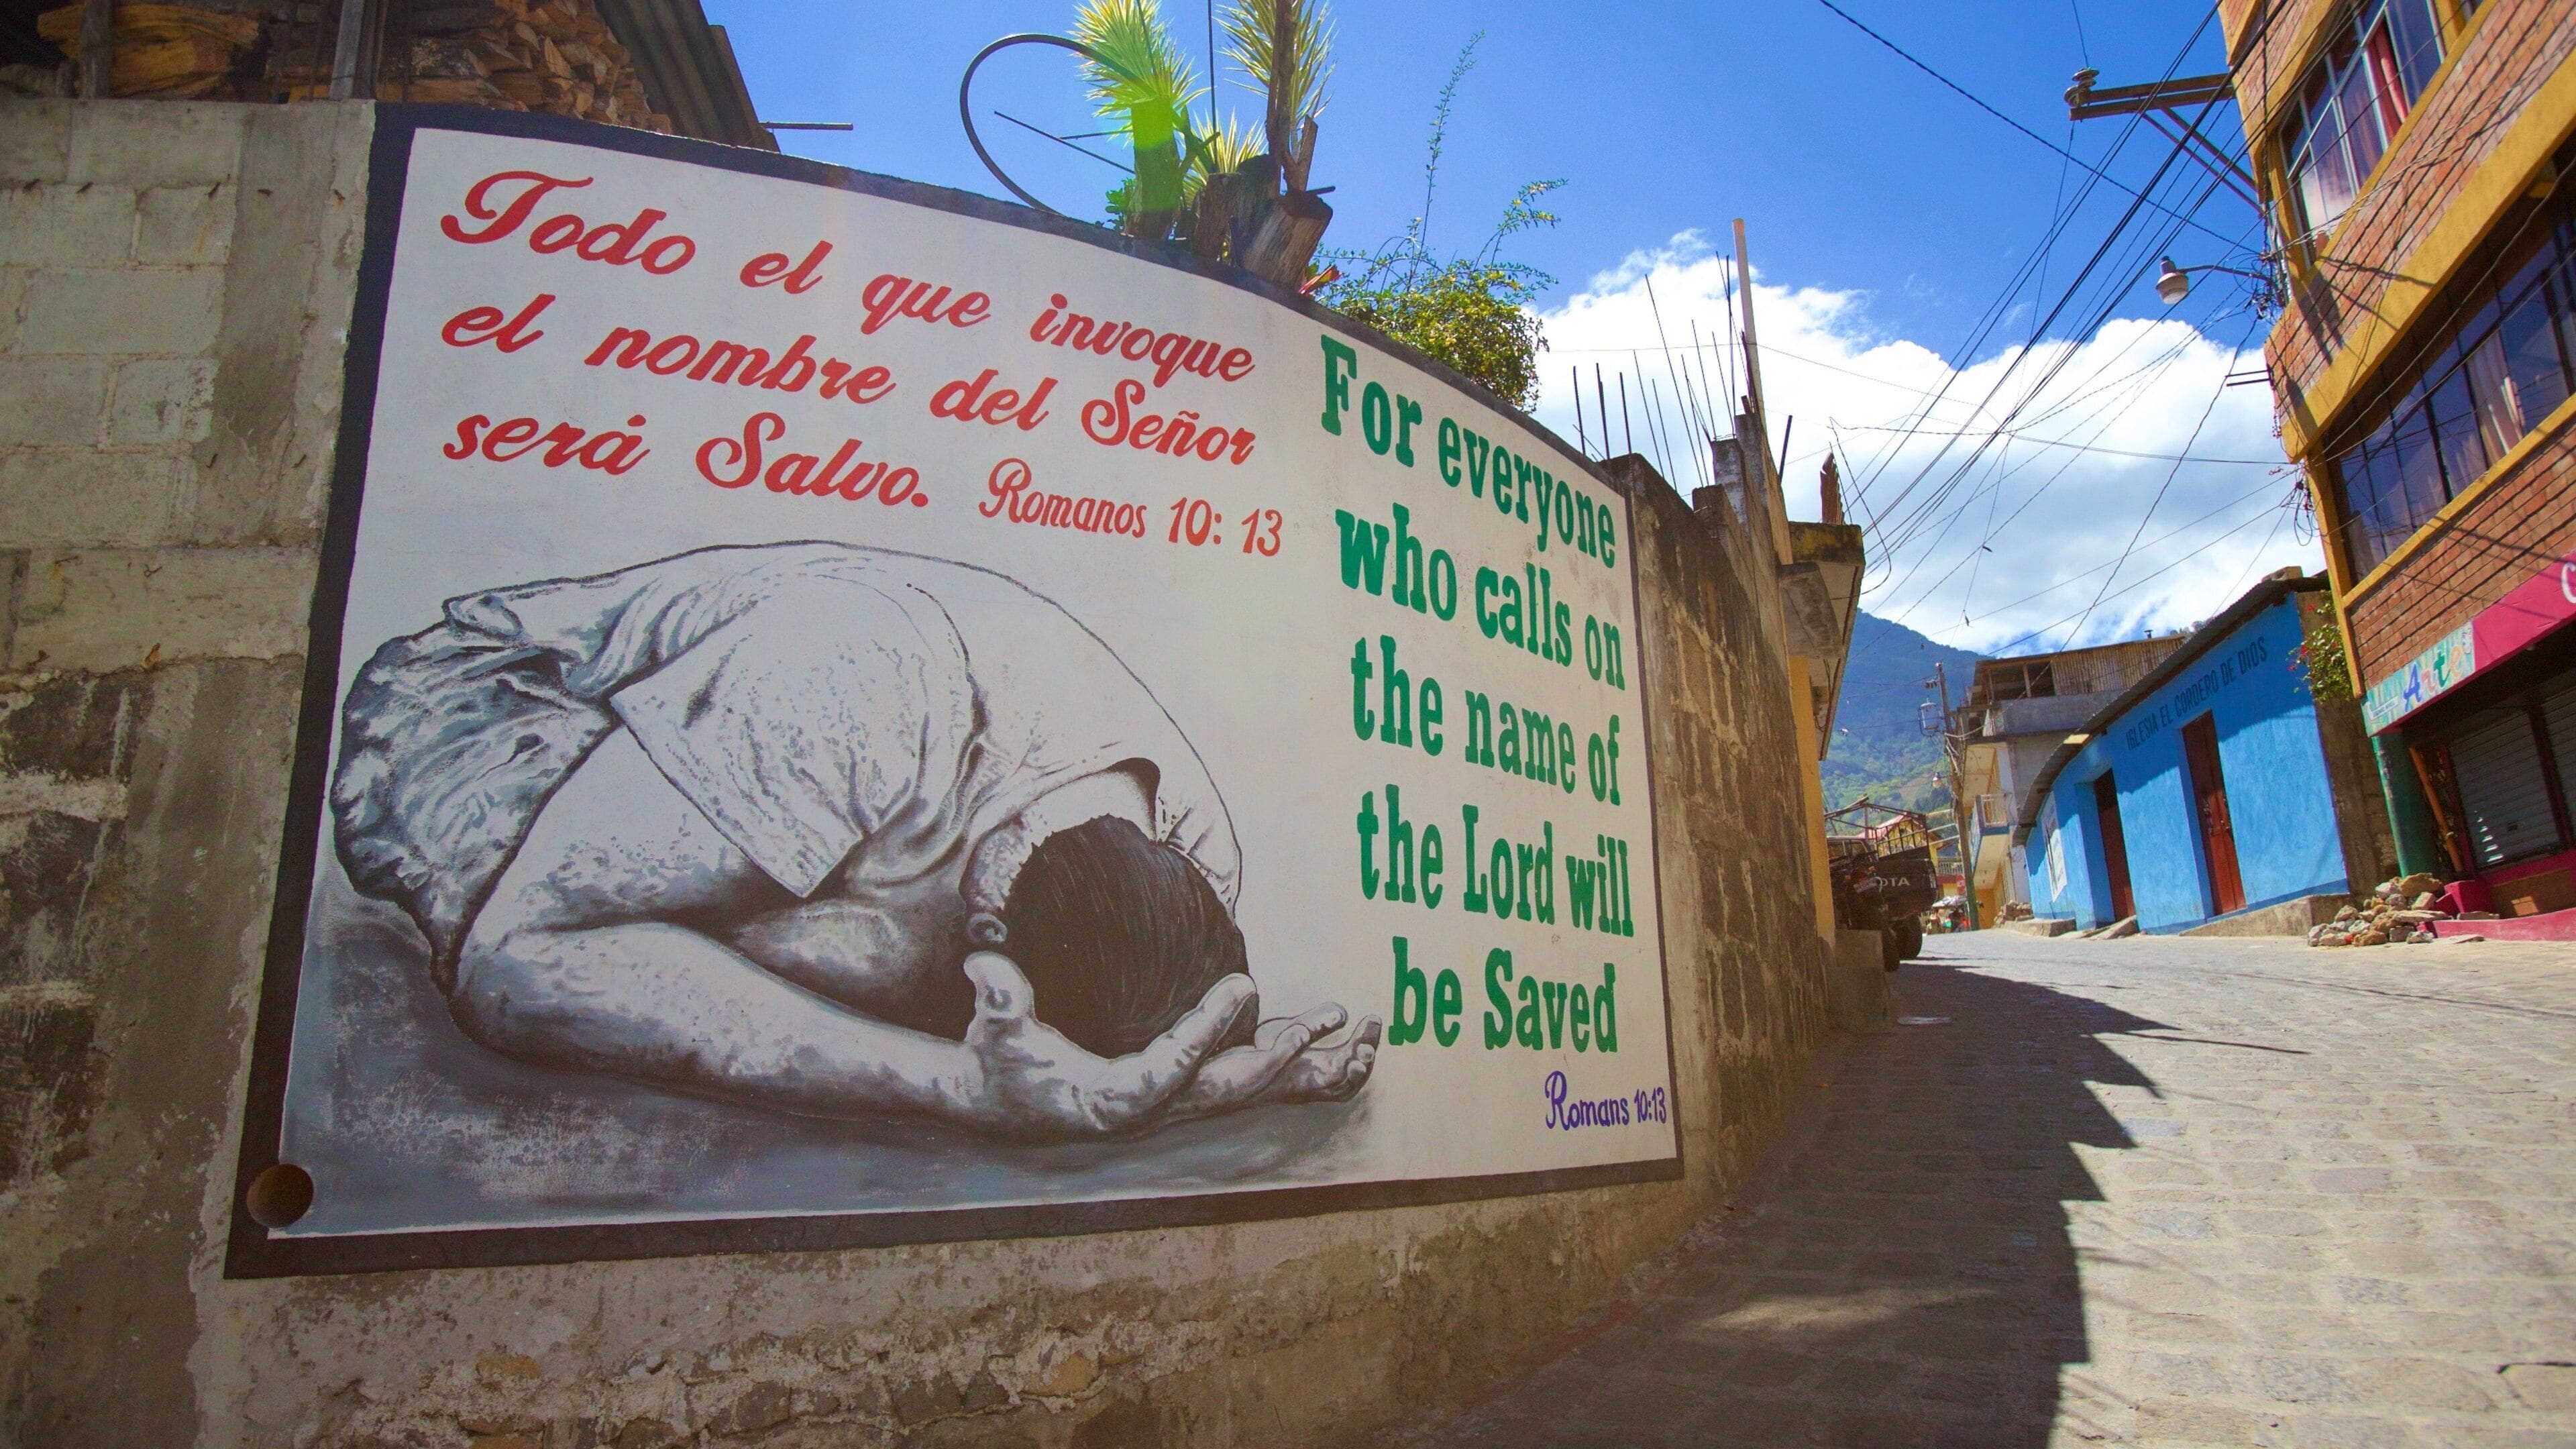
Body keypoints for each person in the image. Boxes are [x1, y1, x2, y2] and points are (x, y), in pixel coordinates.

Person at [330, 542, 1377, 1139]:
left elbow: (1105, 1023)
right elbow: (515, 961)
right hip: (491, 713)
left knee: (856, 958)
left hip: (847, 786)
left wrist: (1184, 1080)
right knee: (853, 961)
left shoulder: (1196, 850)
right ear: (991, 917)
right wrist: (959, 1088)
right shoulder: (855, 679)